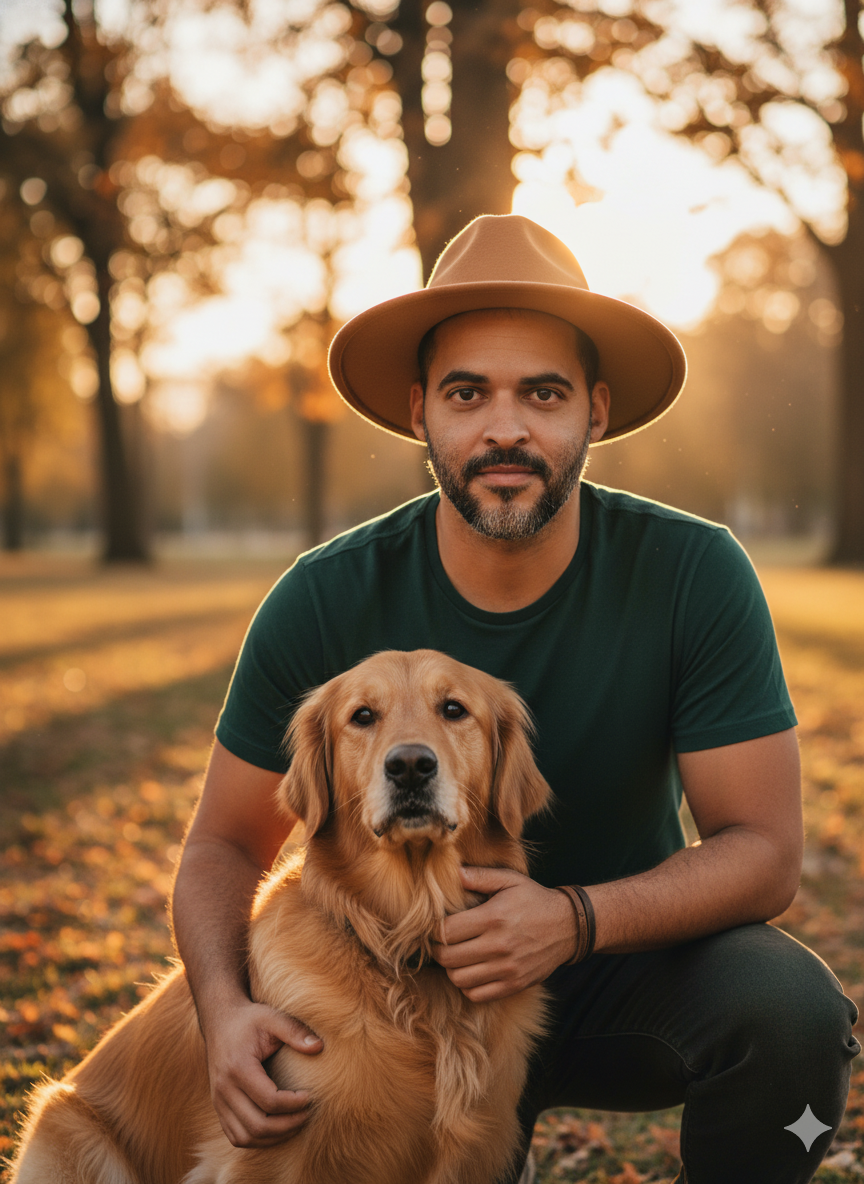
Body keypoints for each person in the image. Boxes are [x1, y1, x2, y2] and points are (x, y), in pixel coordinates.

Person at [171, 215, 859, 1184]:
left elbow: (765, 852)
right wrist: (223, 1009)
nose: (505, 428)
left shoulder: (693, 571)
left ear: (596, 410)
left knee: (790, 1011)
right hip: (388, 1000)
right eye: (468, 394)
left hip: (622, 965)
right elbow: (224, 844)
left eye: (543, 392)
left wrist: (573, 919)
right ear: (420, 410)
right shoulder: (324, 596)